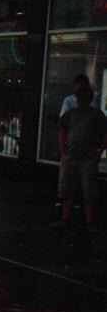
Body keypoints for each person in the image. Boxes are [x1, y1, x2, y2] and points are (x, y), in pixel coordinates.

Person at [51, 87, 107, 233]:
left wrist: (98, 153)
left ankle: (88, 221)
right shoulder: (70, 114)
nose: (82, 101)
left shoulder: (96, 115)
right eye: (80, 98)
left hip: (87, 158)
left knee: (88, 191)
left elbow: (105, 133)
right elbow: (62, 132)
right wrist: (63, 152)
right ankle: (65, 218)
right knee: (67, 189)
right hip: (71, 156)